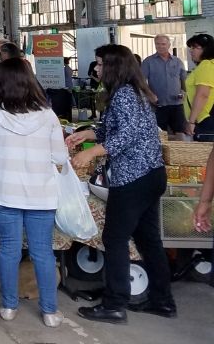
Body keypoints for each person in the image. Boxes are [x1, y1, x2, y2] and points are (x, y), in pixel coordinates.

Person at [68, 44, 174, 322]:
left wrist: (91, 152)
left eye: (101, 64)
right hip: (152, 175)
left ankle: (114, 304)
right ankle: (162, 301)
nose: (97, 69)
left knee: (114, 238)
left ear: (114, 66)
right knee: (148, 239)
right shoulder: (131, 92)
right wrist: (87, 134)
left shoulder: (125, 94)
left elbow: (125, 136)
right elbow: (113, 128)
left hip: (134, 177)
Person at [0, 58, 68, 327]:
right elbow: (60, 155)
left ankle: (8, 307)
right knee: (42, 252)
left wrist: (3, 165)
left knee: (9, 250)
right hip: (42, 193)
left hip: (5, 192)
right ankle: (50, 312)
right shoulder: (48, 114)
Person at [140, 35, 187, 136]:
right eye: (157, 44)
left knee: (180, 133)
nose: (160, 46)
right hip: (158, 105)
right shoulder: (148, 62)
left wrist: (183, 92)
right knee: (161, 135)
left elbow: (183, 80)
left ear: (169, 45)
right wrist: (150, 95)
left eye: (163, 44)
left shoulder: (177, 62)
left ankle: (178, 151)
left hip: (177, 104)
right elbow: (141, 81)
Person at [184, 32, 214, 140]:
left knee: (205, 156)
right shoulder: (208, 65)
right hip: (206, 119)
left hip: (205, 120)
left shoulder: (206, 65)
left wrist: (191, 121)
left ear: (207, 49)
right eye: (191, 47)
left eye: (196, 47)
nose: (191, 50)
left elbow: (202, 95)